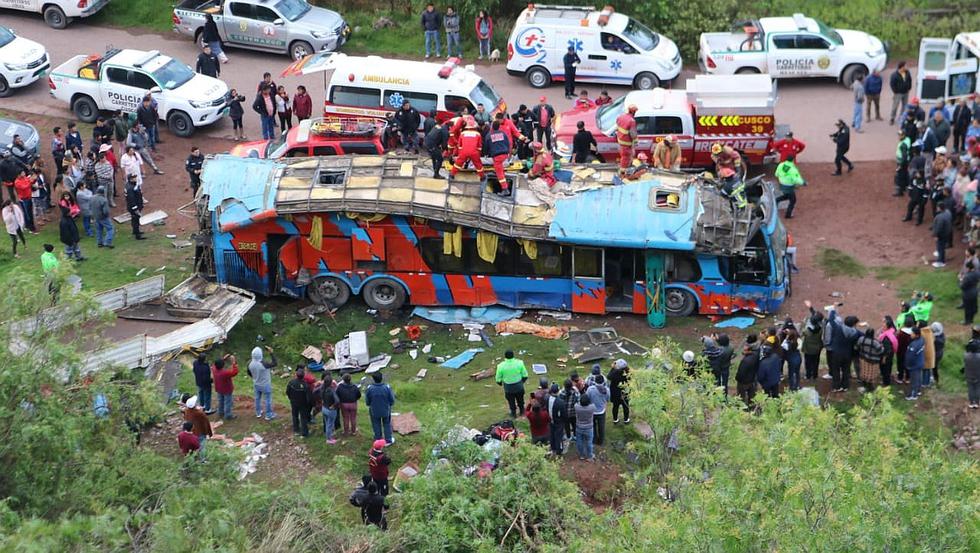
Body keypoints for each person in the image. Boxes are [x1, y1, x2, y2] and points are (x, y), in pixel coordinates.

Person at [826, 306, 860, 392]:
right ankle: (845, 386)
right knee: (846, 370)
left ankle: (836, 386)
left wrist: (833, 309)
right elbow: (864, 335)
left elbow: (831, 320)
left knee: (836, 370)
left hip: (836, 354)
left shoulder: (838, 328)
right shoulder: (856, 333)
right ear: (854, 324)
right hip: (848, 354)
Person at [365, 372, 396, 445]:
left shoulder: (370, 388)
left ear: (373, 379)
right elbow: (391, 399)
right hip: (385, 409)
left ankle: (378, 439)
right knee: (387, 424)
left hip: (374, 410)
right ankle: (388, 440)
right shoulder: (386, 387)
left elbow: (367, 401)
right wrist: (390, 404)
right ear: (381, 378)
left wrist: (369, 404)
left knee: (376, 424)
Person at [495, 349, 528, 418]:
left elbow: (498, 379)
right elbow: (525, 375)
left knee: (511, 401)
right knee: (520, 399)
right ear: (513, 355)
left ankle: (513, 414)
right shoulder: (520, 363)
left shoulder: (500, 366)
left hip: (508, 388)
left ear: (505, 357)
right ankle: (522, 411)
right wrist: (522, 382)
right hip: (519, 385)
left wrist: (500, 383)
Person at [450, 117, 484, 181]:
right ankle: (482, 177)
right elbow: (479, 147)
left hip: (464, 152)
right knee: (478, 164)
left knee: (458, 163)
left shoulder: (462, 134)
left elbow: (459, 146)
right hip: (474, 152)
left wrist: (461, 154)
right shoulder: (478, 134)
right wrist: (478, 155)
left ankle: (452, 175)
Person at [248, 346, 277, 420]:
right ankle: (268, 415)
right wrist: (271, 353)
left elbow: (249, 372)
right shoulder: (264, 364)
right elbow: (274, 363)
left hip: (256, 384)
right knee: (268, 400)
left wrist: (254, 377)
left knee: (257, 398)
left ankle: (258, 412)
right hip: (265, 384)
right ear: (260, 355)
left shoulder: (250, 364)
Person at [483, 120, 512, 193]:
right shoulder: (503, 133)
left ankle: (505, 189)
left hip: (497, 157)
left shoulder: (489, 135)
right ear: (499, 127)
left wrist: (486, 154)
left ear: (492, 127)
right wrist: (508, 152)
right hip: (505, 154)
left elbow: (486, 147)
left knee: (499, 174)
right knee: (502, 167)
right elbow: (508, 143)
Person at [285, 366, 313, 437]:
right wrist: (308, 403)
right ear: (303, 376)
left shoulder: (291, 382)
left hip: (293, 402)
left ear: (296, 375)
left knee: (295, 416)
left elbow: (287, 392)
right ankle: (305, 432)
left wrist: (290, 398)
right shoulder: (306, 385)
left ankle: (296, 430)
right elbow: (309, 397)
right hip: (303, 404)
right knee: (303, 418)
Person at [802, 301, 825, 380]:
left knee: (808, 363)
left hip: (808, 349)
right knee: (816, 362)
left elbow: (802, 333)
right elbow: (817, 317)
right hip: (817, 349)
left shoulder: (807, 331)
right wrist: (810, 308)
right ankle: (815, 375)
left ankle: (808, 375)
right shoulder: (821, 328)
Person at [735, 334, 760, 406]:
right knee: (752, 395)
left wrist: (738, 378)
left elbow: (741, 373)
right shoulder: (757, 351)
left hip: (744, 381)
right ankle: (752, 406)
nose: (744, 347)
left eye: (745, 346)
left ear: (749, 348)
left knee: (741, 395)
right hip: (753, 377)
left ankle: (741, 407)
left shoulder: (746, 361)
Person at [57, 192, 83, 261]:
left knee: (76, 248)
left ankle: (79, 257)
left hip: (73, 237)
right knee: (68, 251)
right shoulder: (64, 221)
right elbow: (65, 232)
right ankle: (68, 262)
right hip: (69, 239)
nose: (71, 213)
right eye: (69, 212)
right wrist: (70, 240)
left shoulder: (69, 218)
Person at [212, 355, 238, 420]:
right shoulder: (225, 373)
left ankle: (220, 412)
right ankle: (228, 415)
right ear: (223, 365)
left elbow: (214, 364)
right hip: (227, 390)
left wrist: (223, 359)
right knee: (227, 402)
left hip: (218, 388)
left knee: (221, 401)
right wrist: (234, 362)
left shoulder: (214, 369)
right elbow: (235, 372)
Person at [586, 374, 609, 445]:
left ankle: (594, 440)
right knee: (601, 427)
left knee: (593, 426)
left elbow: (587, 399)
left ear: (595, 381)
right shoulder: (607, 390)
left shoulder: (590, 389)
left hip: (592, 411)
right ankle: (601, 441)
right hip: (601, 411)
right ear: (603, 381)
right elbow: (608, 399)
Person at [615, 104, 638, 175]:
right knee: (625, 159)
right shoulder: (631, 121)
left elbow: (617, 127)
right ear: (633, 112)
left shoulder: (620, 117)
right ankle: (623, 174)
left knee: (624, 157)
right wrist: (635, 142)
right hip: (627, 144)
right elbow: (633, 134)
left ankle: (624, 171)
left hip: (620, 141)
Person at [780, 319, 802, 391]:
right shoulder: (798, 341)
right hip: (798, 358)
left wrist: (787, 337)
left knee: (791, 374)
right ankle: (797, 385)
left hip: (791, 360)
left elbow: (783, 345)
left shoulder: (787, 344)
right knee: (797, 372)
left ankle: (792, 388)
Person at [905, 326, 925, 400]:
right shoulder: (922, 340)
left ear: (917, 335)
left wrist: (907, 364)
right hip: (920, 362)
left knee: (914, 380)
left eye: (912, 333)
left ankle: (913, 395)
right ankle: (918, 390)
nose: (910, 334)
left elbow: (910, 357)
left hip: (914, 365)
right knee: (918, 377)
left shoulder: (914, 345)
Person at [607, 359, 630, 423]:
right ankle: (626, 419)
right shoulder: (627, 372)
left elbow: (608, 377)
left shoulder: (614, 373)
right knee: (625, 406)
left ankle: (615, 419)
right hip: (625, 392)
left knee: (615, 406)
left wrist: (612, 368)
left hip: (615, 393)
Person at [574, 394, 596, 461]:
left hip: (579, 427)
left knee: (579, 441)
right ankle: (590, 456)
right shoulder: (592, 407)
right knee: (589, 442)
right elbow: (593, 404)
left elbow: (576, 403)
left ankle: (581, 455)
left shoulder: (576, 407)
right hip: (589, 428)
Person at [932, 201, 953, 268]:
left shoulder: (940, 217)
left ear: (939, 208)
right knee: (942, 246)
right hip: (947, 232)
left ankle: (941, 261)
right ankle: (940, 254)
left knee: (940, 246)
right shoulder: (948, 212)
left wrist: (936, 235)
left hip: (942, 234)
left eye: (937, 207)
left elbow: (939, 228)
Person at [124, 174, 146, 240]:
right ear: (131, 179)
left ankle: (135, 231)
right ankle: (137, 235)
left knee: (135, 219)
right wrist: (135, 209)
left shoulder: (130, 185)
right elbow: (131, 199)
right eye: (134, 178)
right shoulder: (130, 187)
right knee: (135, 220)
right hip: (133, 207)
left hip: (135, 205)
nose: (135, 178)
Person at [878, 316, 898, 386]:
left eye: (884, 323)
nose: (882, 324)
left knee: (885, 370)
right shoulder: (891, 331)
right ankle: (887, 380)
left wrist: (884, 358)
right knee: (888, 368)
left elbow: (887, 350)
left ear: (888, 326)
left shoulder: (886, 337)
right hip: (890, 355)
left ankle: (886, 383)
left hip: (886, 357)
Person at [546, 383, 566, 455]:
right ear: (558, 391)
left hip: (550, 420)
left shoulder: (547, 398)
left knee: (552, 434)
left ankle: (553, 447)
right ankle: (559, 450)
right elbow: (564, 414)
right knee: (559, 436)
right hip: (558, 421)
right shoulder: (560, 402)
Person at [320, 375, 339, 444]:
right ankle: (329, 439)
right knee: (330, 424)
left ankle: (329, 435)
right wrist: (333, 406)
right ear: (331, 382)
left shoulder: (322, 388)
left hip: (324, 407)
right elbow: (337, 401)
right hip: (330, 409)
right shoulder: (331, 390)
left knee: (327, 423)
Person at [894, 128, 911, 196]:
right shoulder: (907, 139)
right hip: (905, 161)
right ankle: (905, 187)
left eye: (901, 135)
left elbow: (904, 156)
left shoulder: (903, 144)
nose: (899, 136)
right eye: (899, 135)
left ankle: (900, 191)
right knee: (905, 174)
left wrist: (900, 165)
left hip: (902, 162)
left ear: (904, 135)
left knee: (900, 176)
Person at [966, 335, 980, 409]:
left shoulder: (966, 356)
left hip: (969, 375)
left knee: (970, 389)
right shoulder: (979, 356)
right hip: (978, 375)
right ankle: (977, 403)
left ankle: (971, 403)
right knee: (977, 388)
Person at [931, 322, 945, 386]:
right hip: (939, 353)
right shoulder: (942, 335)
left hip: (936, 354)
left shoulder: (937, 340)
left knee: (934, 367)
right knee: (934, 367)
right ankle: (935, 379)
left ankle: (935, 379)